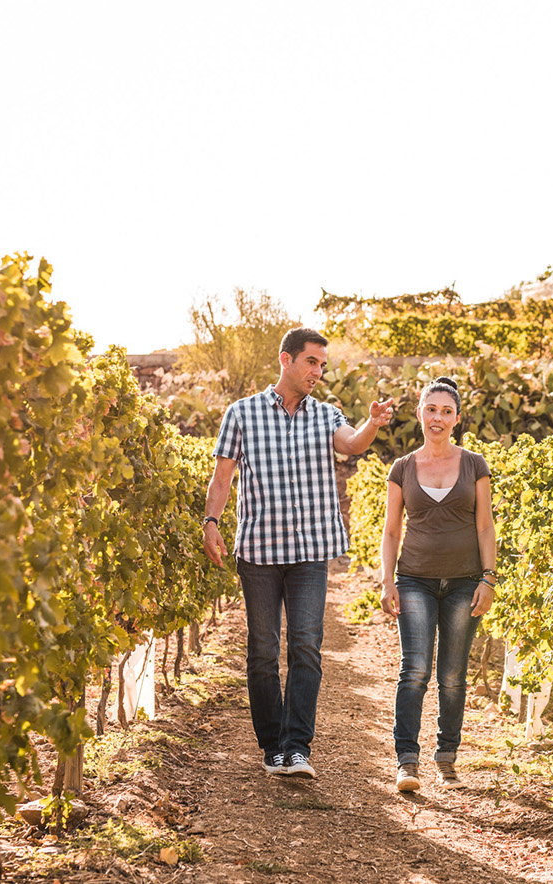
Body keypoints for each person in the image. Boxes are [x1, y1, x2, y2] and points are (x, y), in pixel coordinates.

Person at [202, 327, 393, 779]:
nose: (318, 372)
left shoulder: (327, 415)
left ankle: (297, 746)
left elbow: (351, 444)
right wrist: (211, 521)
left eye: (323, 365)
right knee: (263, 651)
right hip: (259, 551)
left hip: (309, 551)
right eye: (312, 362)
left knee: (306, 647)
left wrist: (372, 424)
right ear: (286, 360)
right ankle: (272, 747)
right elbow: (222, 477)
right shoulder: (242, 414)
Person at [379, 376, 497, 792]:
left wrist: (489, 578)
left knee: (452, 674)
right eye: (432, 409)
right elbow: (391, 531)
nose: (438, 418)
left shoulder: (474, 464)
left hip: (466, 582)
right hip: (414, 580)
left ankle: (447, 755)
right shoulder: (403, 468)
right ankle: (406, 762)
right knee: (414, 669)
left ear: (457, 418)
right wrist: (386, 580)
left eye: (447, 411)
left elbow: (485, 526)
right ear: (420, 414)